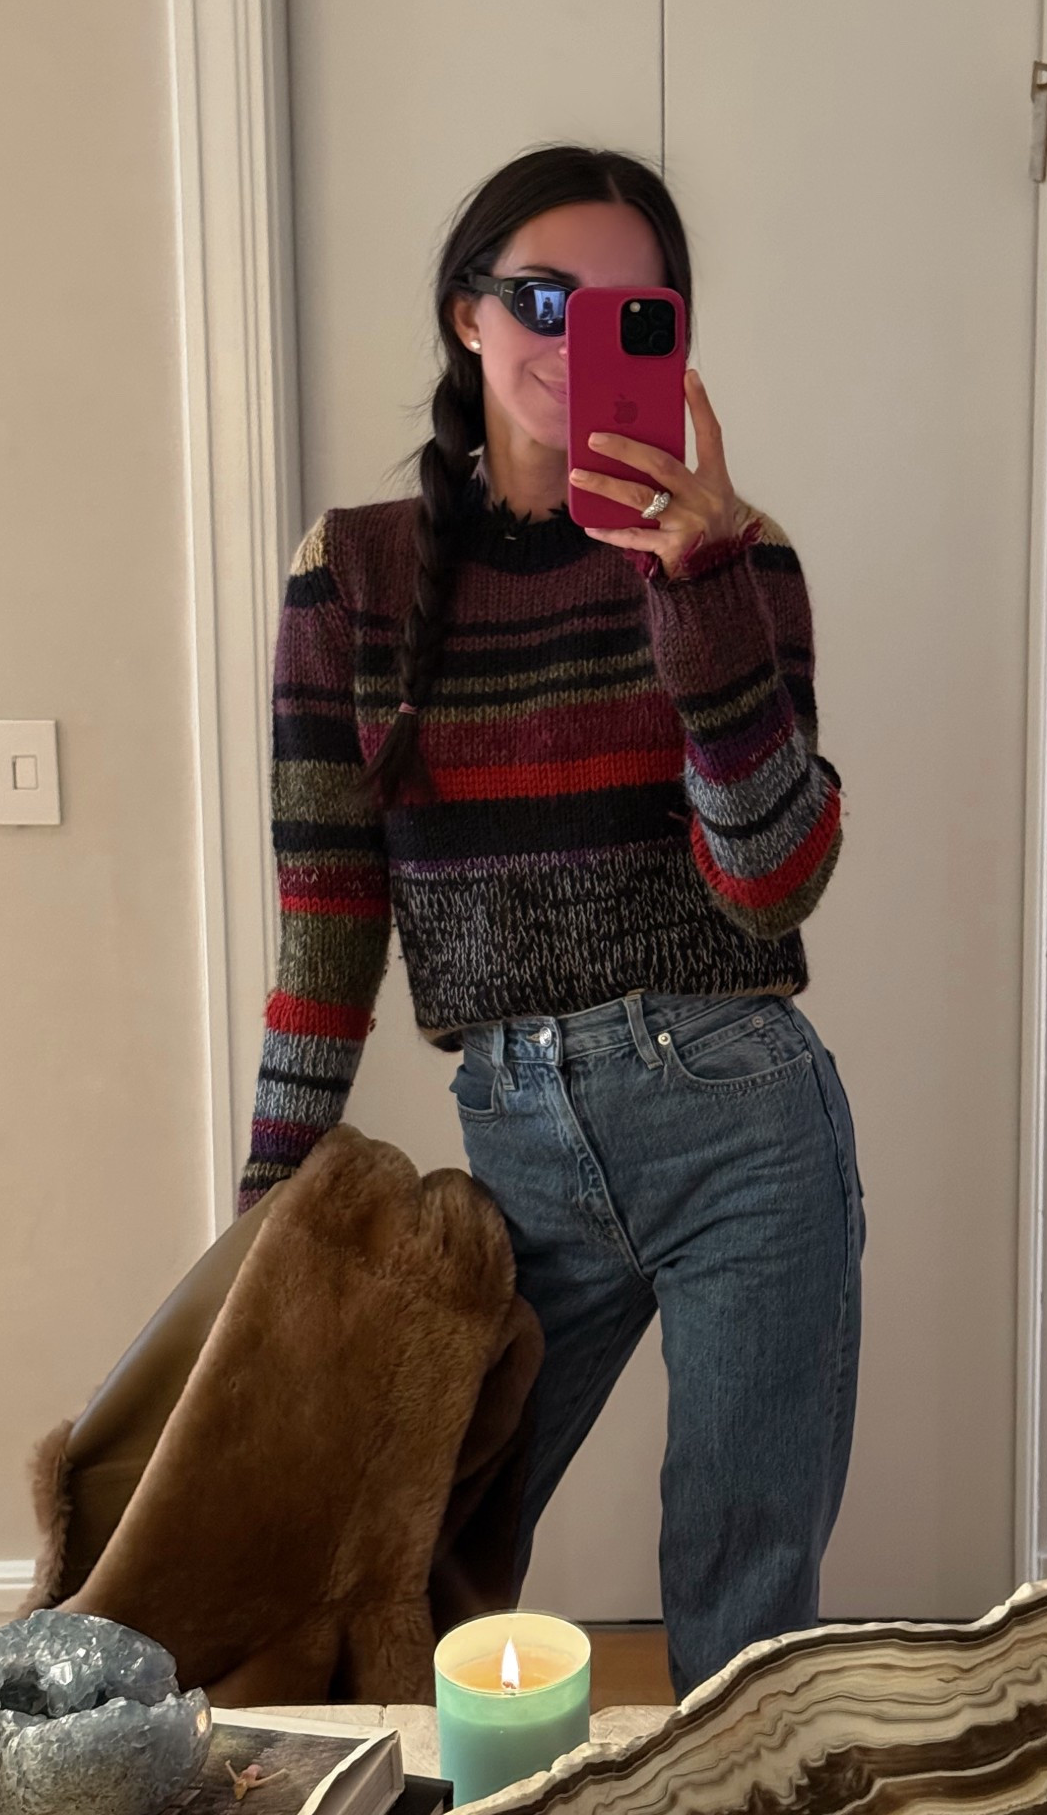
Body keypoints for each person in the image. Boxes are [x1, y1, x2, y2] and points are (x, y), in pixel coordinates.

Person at [237, 142, 863, 1699]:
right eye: (541, 298)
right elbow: (328, 921)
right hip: (514, 1145)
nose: (576, 339)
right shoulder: (353, 575)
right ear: (467, 315)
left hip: (741, 1120)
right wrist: (272, 1201)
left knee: (742, 1593)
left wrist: (697, 590)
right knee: (407, 1548)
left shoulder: (740, 558)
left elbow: (774, 882)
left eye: (629, 310)